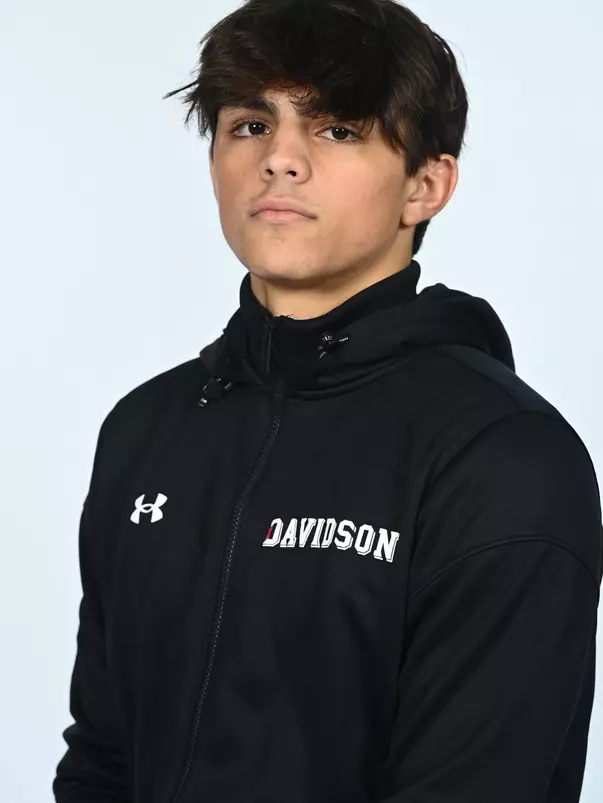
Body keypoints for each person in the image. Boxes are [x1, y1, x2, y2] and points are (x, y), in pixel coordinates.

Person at [52, 1, 603, 801]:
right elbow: (102, 758)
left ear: (425, 185)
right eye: (250, 126)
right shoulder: (147, 428)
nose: (280, 159)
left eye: (337, 129)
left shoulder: (503, 456)